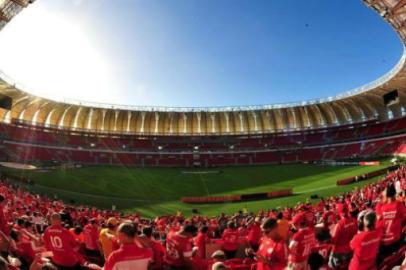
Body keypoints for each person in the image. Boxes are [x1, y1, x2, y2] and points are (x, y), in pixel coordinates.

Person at [376, 183, 405, 257]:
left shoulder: (381, 208)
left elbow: (378, 221)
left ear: (387, 196)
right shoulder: (399, 205)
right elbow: (403, 217)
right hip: (396, 240)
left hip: (384, 243)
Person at [329, 203, 357, 269]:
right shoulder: (354, 220)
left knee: (332, 266)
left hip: (339, 252)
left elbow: (333, 241)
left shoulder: (339, 225)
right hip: (350, 249)